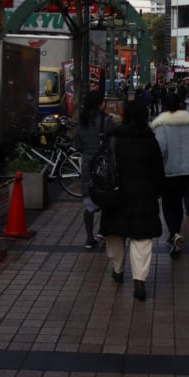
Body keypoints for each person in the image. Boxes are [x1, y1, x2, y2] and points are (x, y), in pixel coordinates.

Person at [100, 96, 165, 301]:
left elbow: (104, 166)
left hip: (116, 194)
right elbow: (159, 172)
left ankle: (118, 270)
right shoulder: (150, 140)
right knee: (142, 239)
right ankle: (139, 280)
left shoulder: (114, 137)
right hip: (143, 196)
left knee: (115, 234)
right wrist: (157, 191)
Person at [151, 91, 189, 257]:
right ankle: (176, 234)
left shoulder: (162, 126)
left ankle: (174, 234)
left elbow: (159, 149)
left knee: (168, 204)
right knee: (180, 202)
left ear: (165, 107)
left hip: (169, 172)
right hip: (188, 172)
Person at [74, 91, 113, 249]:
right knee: (107, 201)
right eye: (104, 101)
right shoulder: (107, 121)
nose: (105, 104)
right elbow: (113, 144)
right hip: (104, 166)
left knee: (89, 204)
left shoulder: (81, 122)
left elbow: (78, 146)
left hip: (87, 166)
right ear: (99, 104)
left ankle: (89, 238)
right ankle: (103, 232)